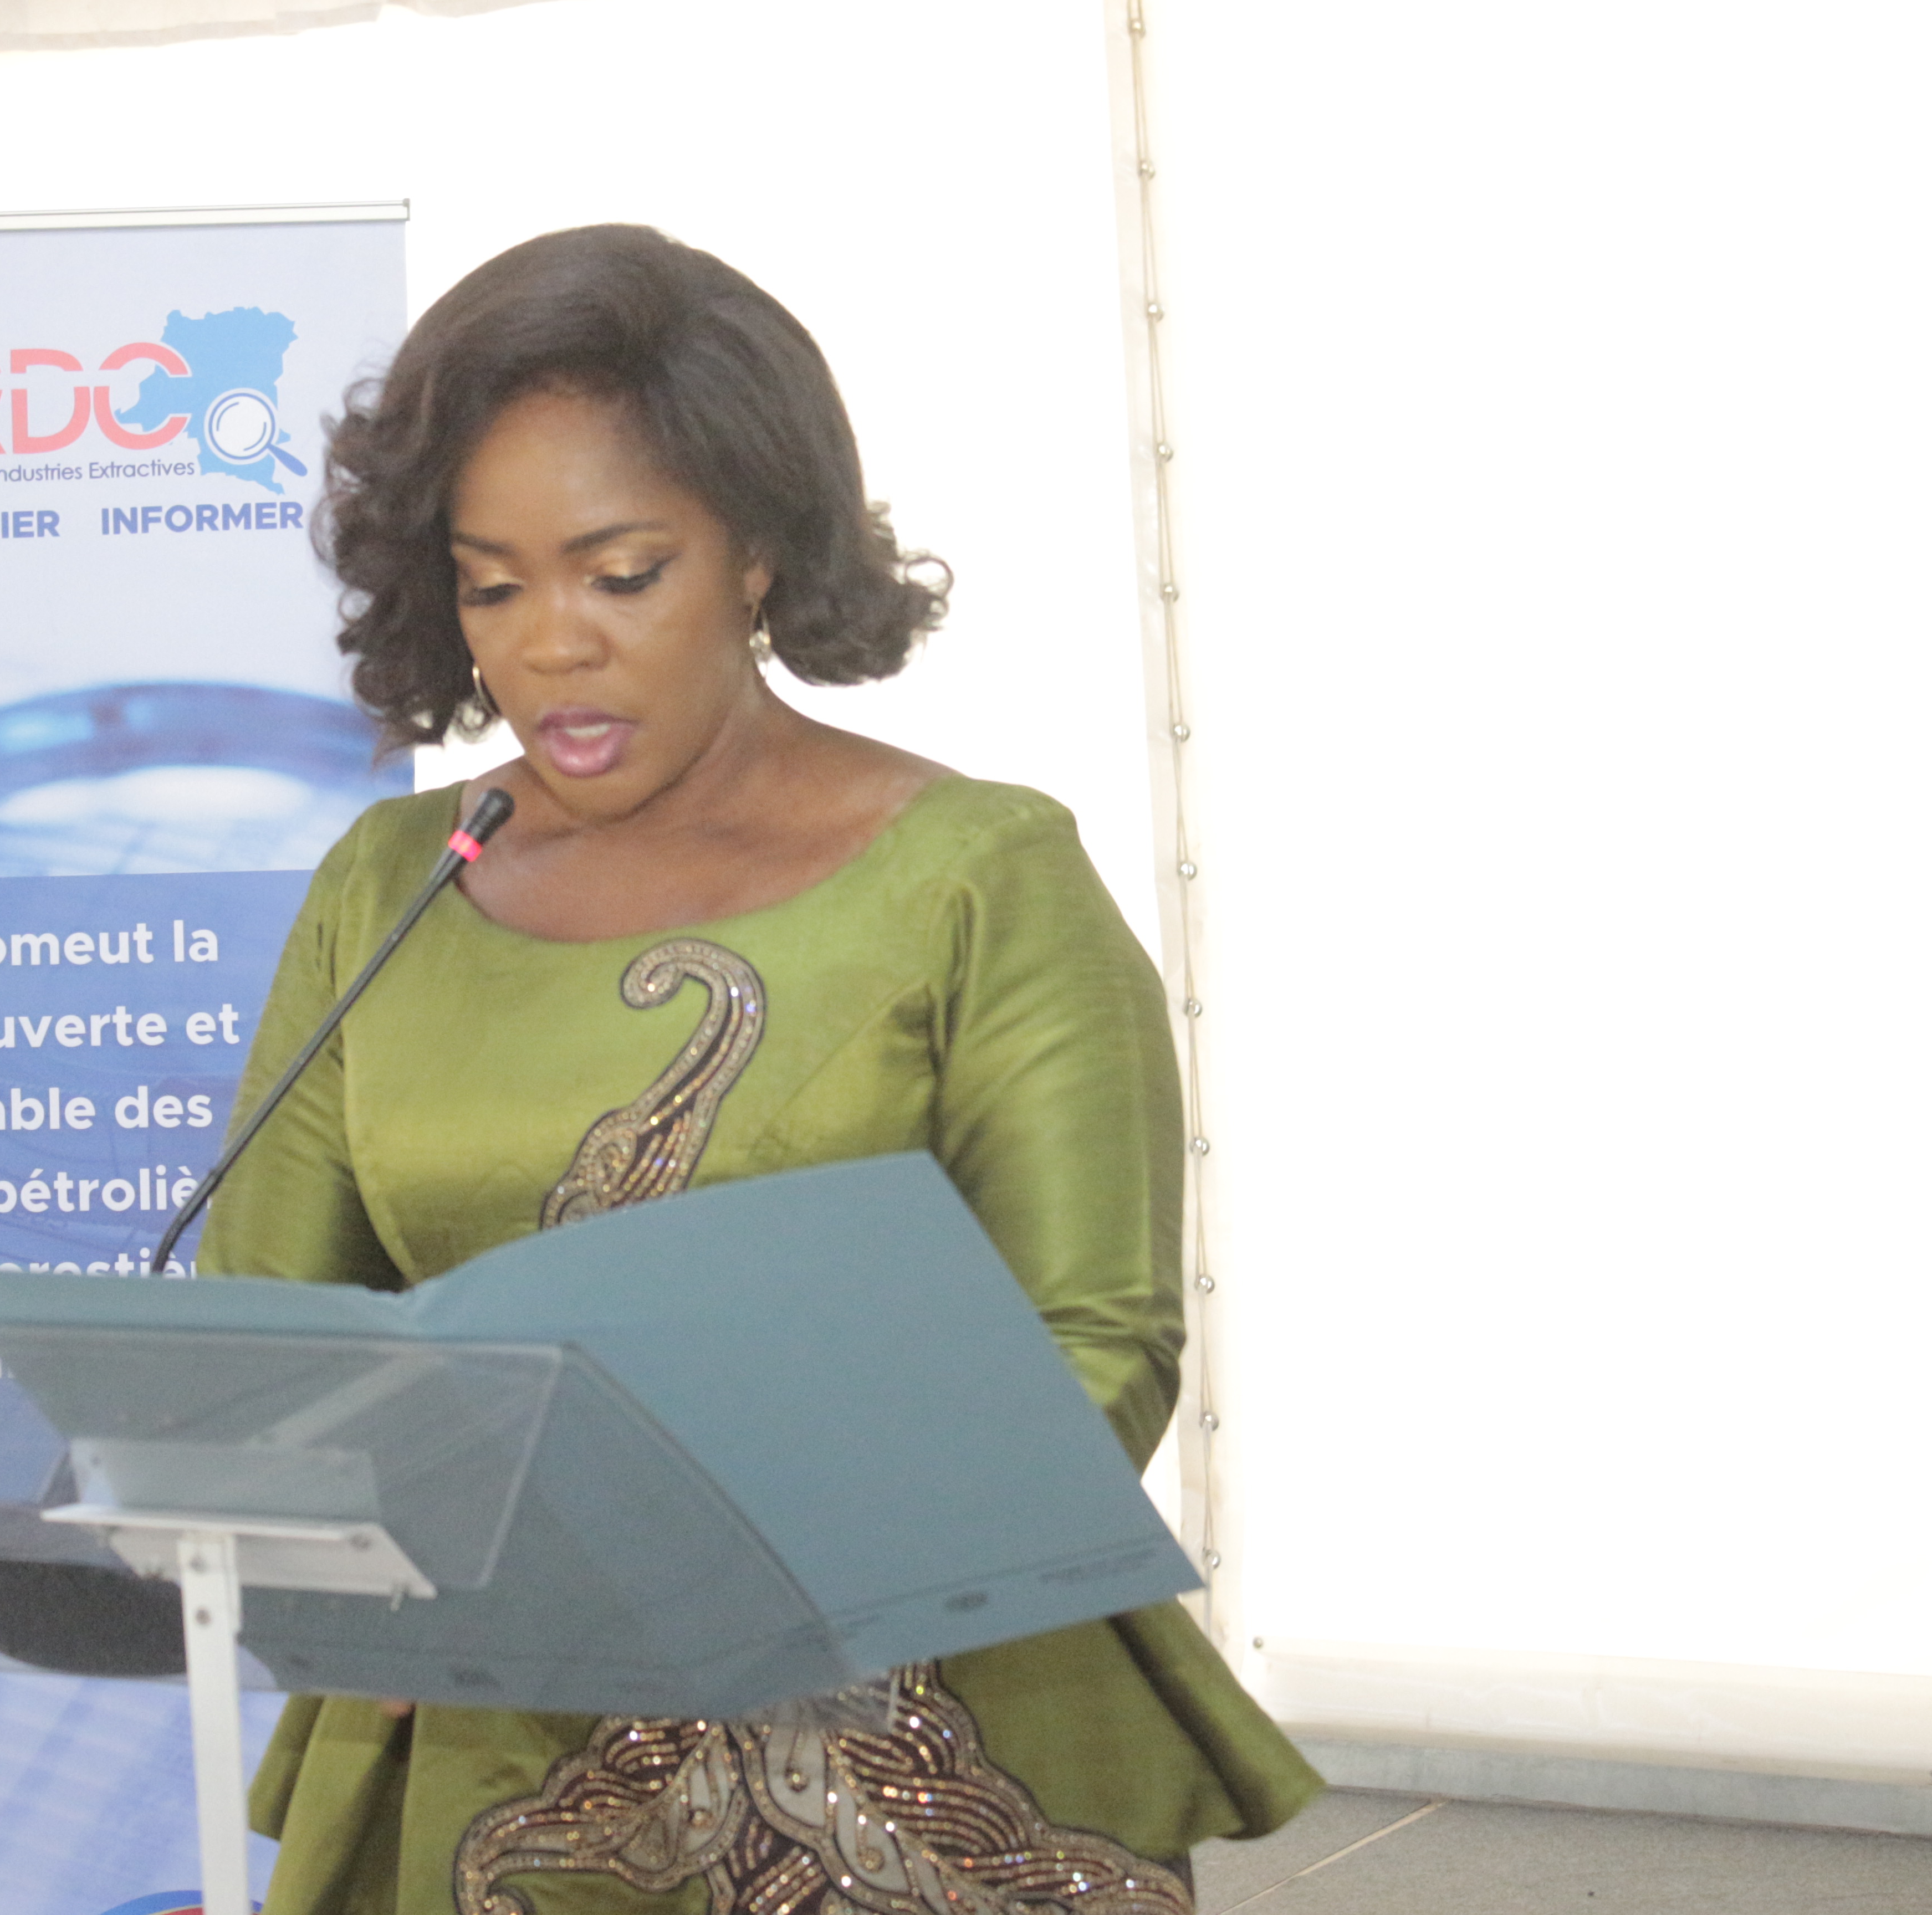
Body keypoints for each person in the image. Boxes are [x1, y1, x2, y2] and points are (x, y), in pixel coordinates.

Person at [197, 224, 1318, 1915]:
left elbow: (1095, 1347)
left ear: (760, 556)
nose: (549, 645)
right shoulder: (394, 881)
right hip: (488, 1739)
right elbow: (274, 1329)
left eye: (620, 573)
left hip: (916, 1735)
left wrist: (748, 1555)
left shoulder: (977, 875)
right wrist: (348, 1554)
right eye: (493, 585)